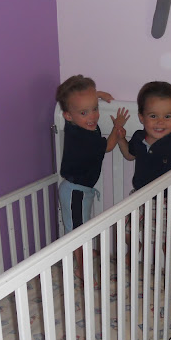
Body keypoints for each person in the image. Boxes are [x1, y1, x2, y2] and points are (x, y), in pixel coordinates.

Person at [115, 81, 171, 275]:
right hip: (139, 196)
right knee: (124, 230)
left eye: (167, 116)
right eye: (153, 116)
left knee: (166, 242)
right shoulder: (138, 137)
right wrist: (121, 139)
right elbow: (129, 155)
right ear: (141, 117)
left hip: (165, 201)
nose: (160, 122)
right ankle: (135, 247)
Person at [56, 74, 129, 279]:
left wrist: (97, 95)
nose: (93, 117)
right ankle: (82, 269)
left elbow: (81, 101)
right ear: (68, 116)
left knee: (83, 225)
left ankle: (84, 254)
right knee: (78, 232)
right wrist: (117, 127)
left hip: (81, 190)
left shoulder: (75, 123)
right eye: (84, 112)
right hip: (75, 192)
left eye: (95, 108)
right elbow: (109, 145)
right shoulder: (84, 138)